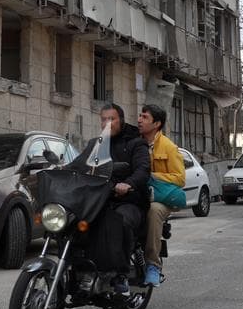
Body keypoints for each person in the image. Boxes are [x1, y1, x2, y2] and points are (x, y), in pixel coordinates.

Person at [70, 103, 150, 294]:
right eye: (103, 119)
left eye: (111, 119)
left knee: (118, 222)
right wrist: (58, 170)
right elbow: (78, 165)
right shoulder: (95, 144)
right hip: (98, 200)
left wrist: (128, 184)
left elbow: (143, 169)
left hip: (128, 201)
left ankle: (120, 275)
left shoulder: (135, 143)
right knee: (73, 221)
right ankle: (80, 268)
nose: (107, 123)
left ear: (120, 121)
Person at [137, 103, 184, 288]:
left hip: (162, 198)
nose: (139, 120)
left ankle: (153, 265)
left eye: (145, 117)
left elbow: (180, 179)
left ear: (156, 124)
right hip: (139, 193)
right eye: (140, 116)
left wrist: (153, 177)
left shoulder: (169, 147)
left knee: (154, 211)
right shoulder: (134, 141)